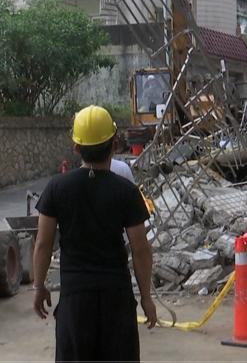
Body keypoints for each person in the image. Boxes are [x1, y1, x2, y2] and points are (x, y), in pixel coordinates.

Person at [33, 105, 157, 361]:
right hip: (116, 299)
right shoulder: (126, 191)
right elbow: (141, 250)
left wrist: (38, 285)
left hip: (75, 301)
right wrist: (146, 297)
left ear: (76, 148)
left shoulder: (57, 187)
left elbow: (43, 243)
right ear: (115, 145)